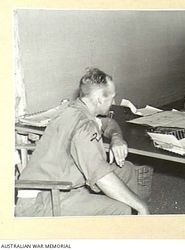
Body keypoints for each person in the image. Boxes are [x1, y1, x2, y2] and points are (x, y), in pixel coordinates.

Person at [15, 68, 149, 216]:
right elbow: (101, 176)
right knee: (121, 209)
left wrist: (116, 137)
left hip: (58, 181)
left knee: (127, 169)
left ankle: (136, 220)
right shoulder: (84, 126)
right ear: (99, 99)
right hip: (45, 198)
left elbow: (107, 123)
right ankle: (135, 215)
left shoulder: (73, 108)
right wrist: (141, 206)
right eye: (112, 98)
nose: (114, 102)